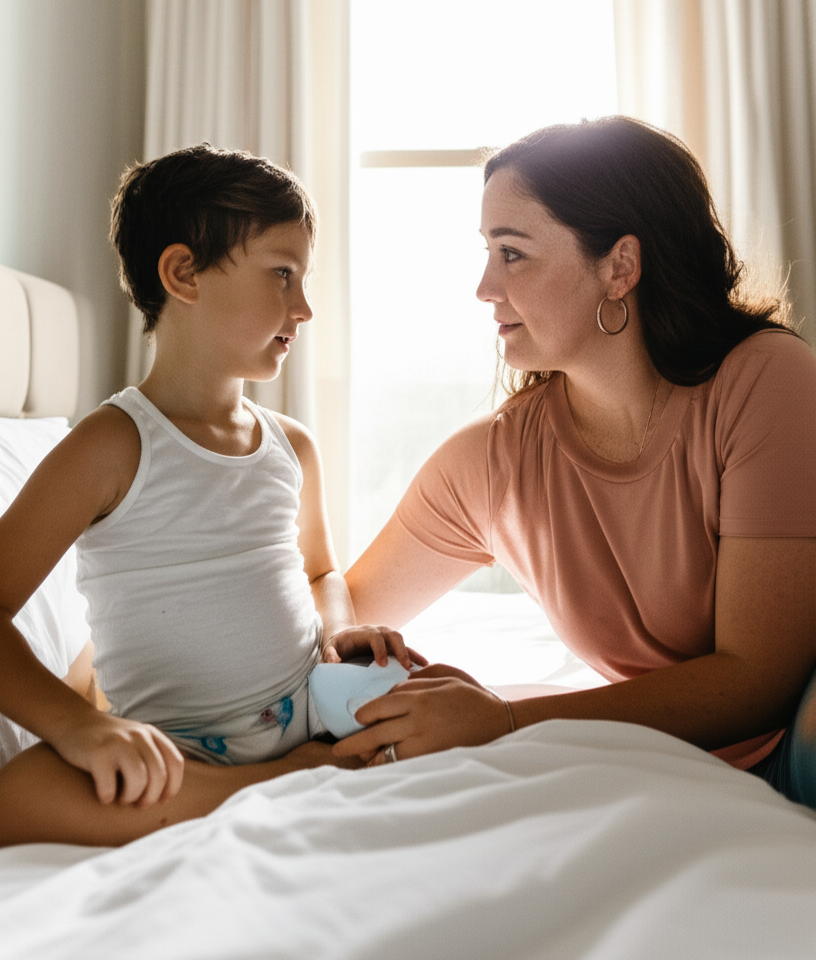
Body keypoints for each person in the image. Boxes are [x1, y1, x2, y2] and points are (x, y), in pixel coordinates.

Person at [336, 116, 816, 810]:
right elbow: (345, 603)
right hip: (668, 769)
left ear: (620, 266)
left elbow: (757, 681)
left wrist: (503, 721)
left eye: (513, 254)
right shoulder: (498, 460)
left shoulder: (766, 381)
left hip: (794, 745)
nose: (483, 287)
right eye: (487, 252)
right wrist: (352, 640)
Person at [0, 144, 414, 847]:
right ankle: (269, 786)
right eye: (282, 275)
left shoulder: (292, 445)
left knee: (445, 702)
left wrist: (340, 632)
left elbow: (319, 570)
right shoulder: (112, 445)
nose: (304, 307)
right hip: (182, 756)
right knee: (17, 796)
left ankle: (304, 767)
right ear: (184, 273)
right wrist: (83, 725)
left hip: (313, 713)